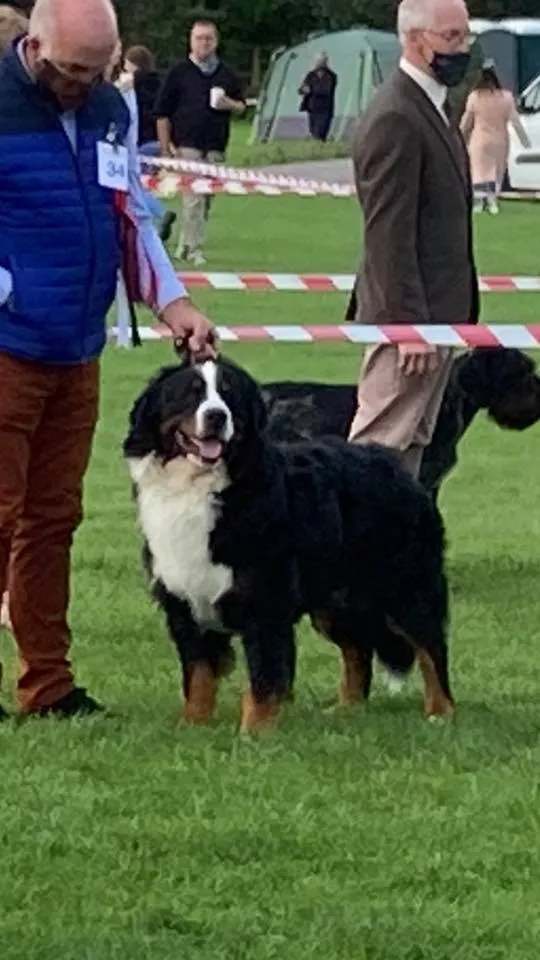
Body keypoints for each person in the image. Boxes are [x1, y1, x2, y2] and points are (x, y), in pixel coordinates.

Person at [0, 0, 217, 720]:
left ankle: (48, 684)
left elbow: (129, 216)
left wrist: (175, 303)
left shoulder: (110, 110)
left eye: (97, 71)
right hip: (7, 346)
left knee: (53, 518)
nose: (82, 85)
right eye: (69, 71)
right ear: (33, 45)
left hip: (76, 349)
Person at [347, 0, 479, 481]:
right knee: (380, 442)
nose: (462, 48)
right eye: (451, 37)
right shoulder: (397, 115)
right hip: (409, 317)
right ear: (415, 38)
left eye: (465, 36)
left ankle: (389, 549)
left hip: (439, 312)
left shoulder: (432, 107)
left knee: (412, 441)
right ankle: (355, 550)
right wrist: (407, 324)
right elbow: (388, 233)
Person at [155, 20, 245, 266]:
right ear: (191, 41)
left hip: (215, 146)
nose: (204, 43)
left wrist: (229, 104)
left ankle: (185, 243)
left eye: (208, 38)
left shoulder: (226, 74)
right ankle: (194, 249)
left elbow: (242, 107)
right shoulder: (179, 73)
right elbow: (162, 112)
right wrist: (165, 149)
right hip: (187, 144)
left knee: (206, 199)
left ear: (216, 42)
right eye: (199, 38)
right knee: (193, 196)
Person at [460, 60, 531, 215]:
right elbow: (515, 121)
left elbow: (466, 122)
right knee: (495, 171)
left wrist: (460, 138)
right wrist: (525, 142)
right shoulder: (506, 97)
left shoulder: (475, 97)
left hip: (480, 139)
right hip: (499, 140)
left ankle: (479, 202)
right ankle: (492, 201)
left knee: (479, 170)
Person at [299, 53, 337, 142]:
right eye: (317, 61)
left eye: (321, 61)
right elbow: (302, 89)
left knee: (321, 131)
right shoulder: (310, 75)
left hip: (324, 108)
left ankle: (320, 146)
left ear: (325, 63)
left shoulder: (331, 76)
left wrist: (310, 90)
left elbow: (326, 90)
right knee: (313, 130)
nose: (318, 63)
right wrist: (303, 90)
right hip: (312, 107)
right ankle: (316, 147)